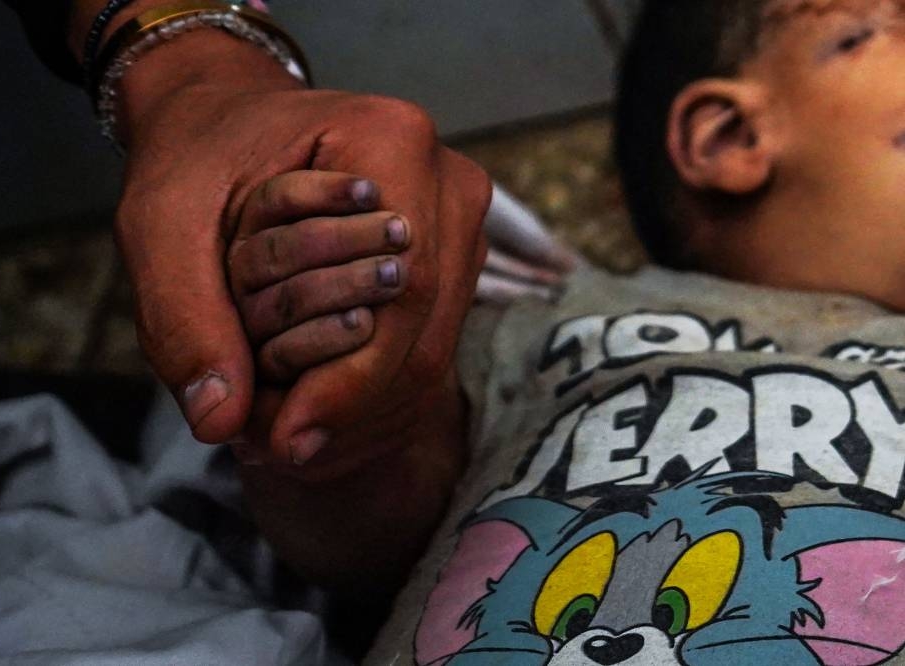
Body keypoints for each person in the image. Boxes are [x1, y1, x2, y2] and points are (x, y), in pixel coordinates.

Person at [223, 1, 905, 663]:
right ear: (729, 137)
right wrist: (339, 407)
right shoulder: (555, 318)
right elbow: (368, 547)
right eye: (886, 24)